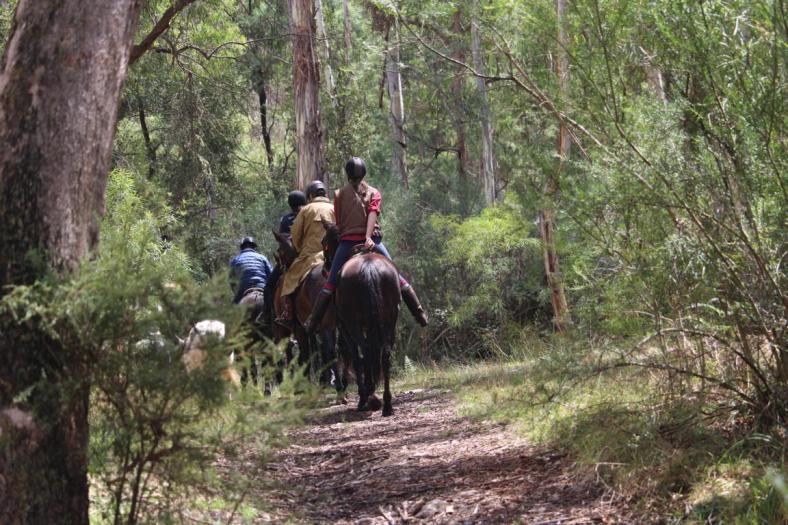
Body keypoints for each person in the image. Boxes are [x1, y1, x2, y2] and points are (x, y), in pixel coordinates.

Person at [304, 157, 428, 333]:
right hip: (374, 241)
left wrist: (359, 235)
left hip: (348, 242)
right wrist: (369, 237)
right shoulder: (374, 192)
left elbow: (339, 222)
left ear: (347, 175)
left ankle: (313, 321)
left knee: (331, 282)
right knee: (397, 277)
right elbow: (372, 214)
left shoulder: (339, 194)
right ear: (364, 174)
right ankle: (419, 313)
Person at [275, 180, 335, 327]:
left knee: (289, 279)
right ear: (325, 193)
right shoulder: (335, 207)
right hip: (334, 255)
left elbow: (295, 236)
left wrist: (298, 248)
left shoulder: (306, 210)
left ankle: (288, 313)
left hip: (311, 256)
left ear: (310, 195)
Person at [229, 236, 273, 304]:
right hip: (261, 286)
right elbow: (271, 275)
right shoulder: (262, 258)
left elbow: (231, 280)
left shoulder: (235, 260)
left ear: (242, 248)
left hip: (243, 287)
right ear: (254, 247)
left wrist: (236, 291)